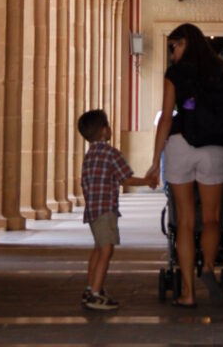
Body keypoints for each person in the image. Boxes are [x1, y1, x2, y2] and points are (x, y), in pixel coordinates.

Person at [147, 23, 223, 308]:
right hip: (214, 148)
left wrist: (154, 160)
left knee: (185, 221)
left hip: (180, 145)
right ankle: (209, 267)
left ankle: (187, 293)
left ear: (185, 43)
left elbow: (165, 118)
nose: (172, 51)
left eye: (175, 46)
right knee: (212, 218)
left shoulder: (175, 73)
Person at [77, 108, 157, 311]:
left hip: (93, 210)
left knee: (97, 248)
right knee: (106, 249)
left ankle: (90, 287)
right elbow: (125, 179)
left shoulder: (89, 156)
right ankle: (95, 293)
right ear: (105, 131)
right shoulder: (111, 154)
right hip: (105, 209)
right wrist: (147, 181)